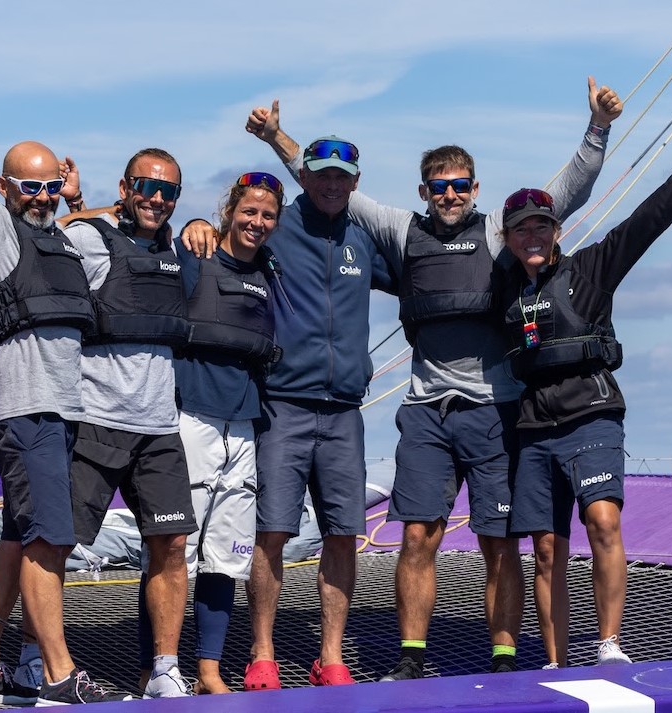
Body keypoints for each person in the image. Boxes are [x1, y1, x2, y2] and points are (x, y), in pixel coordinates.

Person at [245, 76, 622, 677]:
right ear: (425, 191)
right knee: (419, 535)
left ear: (475, 190)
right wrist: (274, 138)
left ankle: (503, 655)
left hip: (496, 410)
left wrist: (598, 127)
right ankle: (412, 656)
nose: (450, 196)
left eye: (460, 187)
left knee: (499, 541)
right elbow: (325, 181)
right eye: (439, 188)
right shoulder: (402, 229)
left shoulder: (502, 234)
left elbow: (566, 192)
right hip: (427, 410)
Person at [0, 27, 131, 706]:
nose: (42, 196)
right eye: (31, 186)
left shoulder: (61, 236)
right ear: (9, 188)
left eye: (51, 185)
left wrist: (79, 198)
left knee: (19, 542)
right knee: (50, 542)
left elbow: (113, 219)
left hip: (57, 410)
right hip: (26, 410)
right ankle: (56, 676)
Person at [499, 118, 672, 669]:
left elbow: (649, 221)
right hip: (533, 429)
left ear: (557, 232)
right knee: (547, 549)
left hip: (592, 418)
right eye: (522, 230)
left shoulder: (593, 267)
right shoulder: (498, 289)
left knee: (602, 519)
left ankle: (608, 644)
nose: (534, 237)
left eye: (542, 228)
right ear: (507, 239)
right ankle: (554, 662)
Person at [211, 136, 396, 690]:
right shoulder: (276, 227)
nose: (332, 185)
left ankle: (331, 657)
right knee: (271, 531)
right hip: (283, 405)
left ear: (355, 183)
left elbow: (429, 269)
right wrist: (199, 226)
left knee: (342, 535)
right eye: (321, 174)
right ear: (305, 177)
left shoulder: (365, 241)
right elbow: (222, 237)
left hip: (344, 410)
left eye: (342, 176)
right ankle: (262, 654)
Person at [135, 172, 286, 694]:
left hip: (243, 424)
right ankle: (155, 665)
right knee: (172, 546)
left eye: (268, 216)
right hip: (191, 416)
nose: (257, 222)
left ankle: (208, 669)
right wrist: (191, 224)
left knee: (226, 557)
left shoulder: (270, 270)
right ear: (229, 211)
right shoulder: (194, 256)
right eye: (249, 212)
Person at [60, 148, 199, 699]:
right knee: (55, 546)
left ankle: (165, 669)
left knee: (171, 545)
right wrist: (78, 202)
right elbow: (44, 231)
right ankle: (35, 656)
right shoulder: (90, 239)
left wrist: (199, 223)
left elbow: (187, 231)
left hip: (159, 426)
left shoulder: (173, 242)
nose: (159, 199)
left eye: (170, 192)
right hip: (94, 420)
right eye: (147, 187)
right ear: (125, 187)